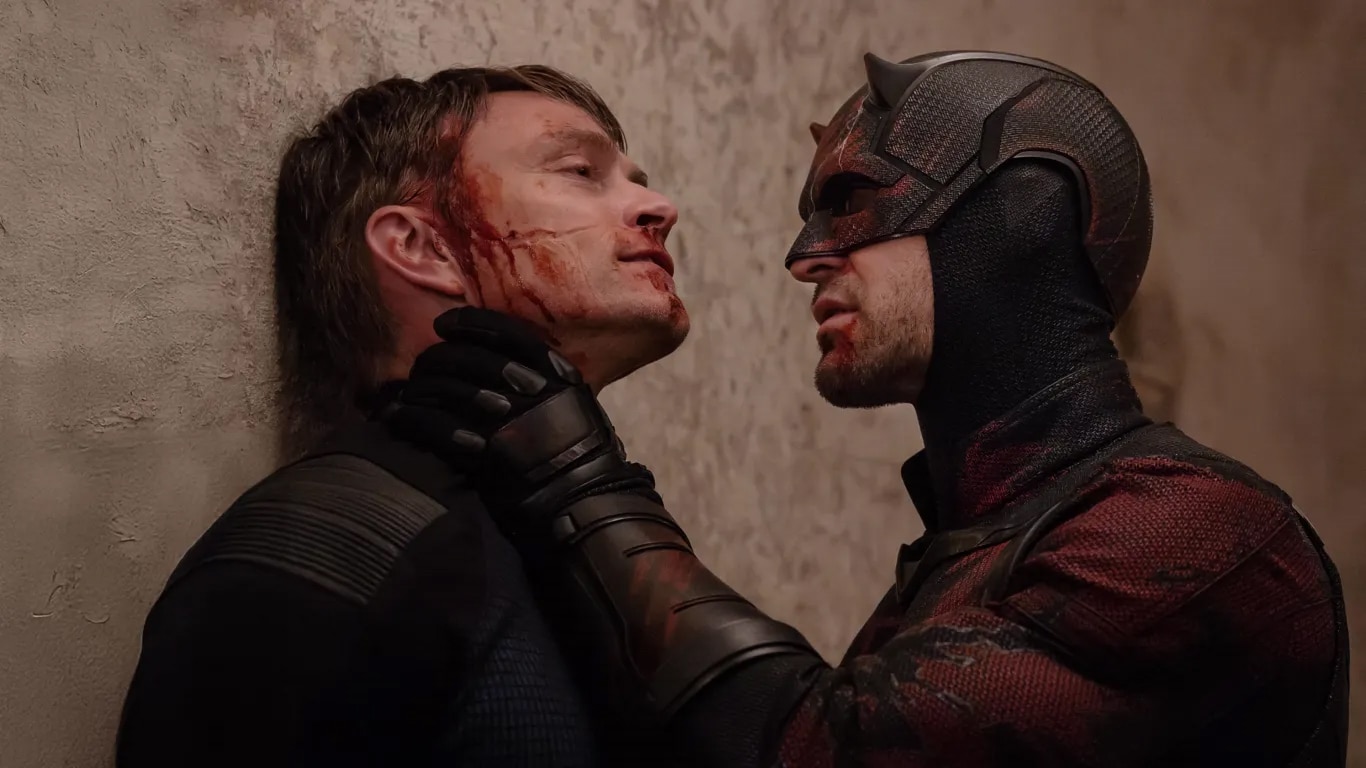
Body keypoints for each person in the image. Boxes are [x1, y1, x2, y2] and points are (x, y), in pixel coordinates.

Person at [387, 51, 1350, 767]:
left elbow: (823, 754)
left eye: (853, 199)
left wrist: (575, 480)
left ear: (1017, 215)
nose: (805, 256)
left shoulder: (1196, 531)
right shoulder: (992, 541)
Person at [115, 64, 689, 767]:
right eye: (580, 172)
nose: (659, 206)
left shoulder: (569, 533)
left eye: (635, 178)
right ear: (421, 247)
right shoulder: (328, 546)